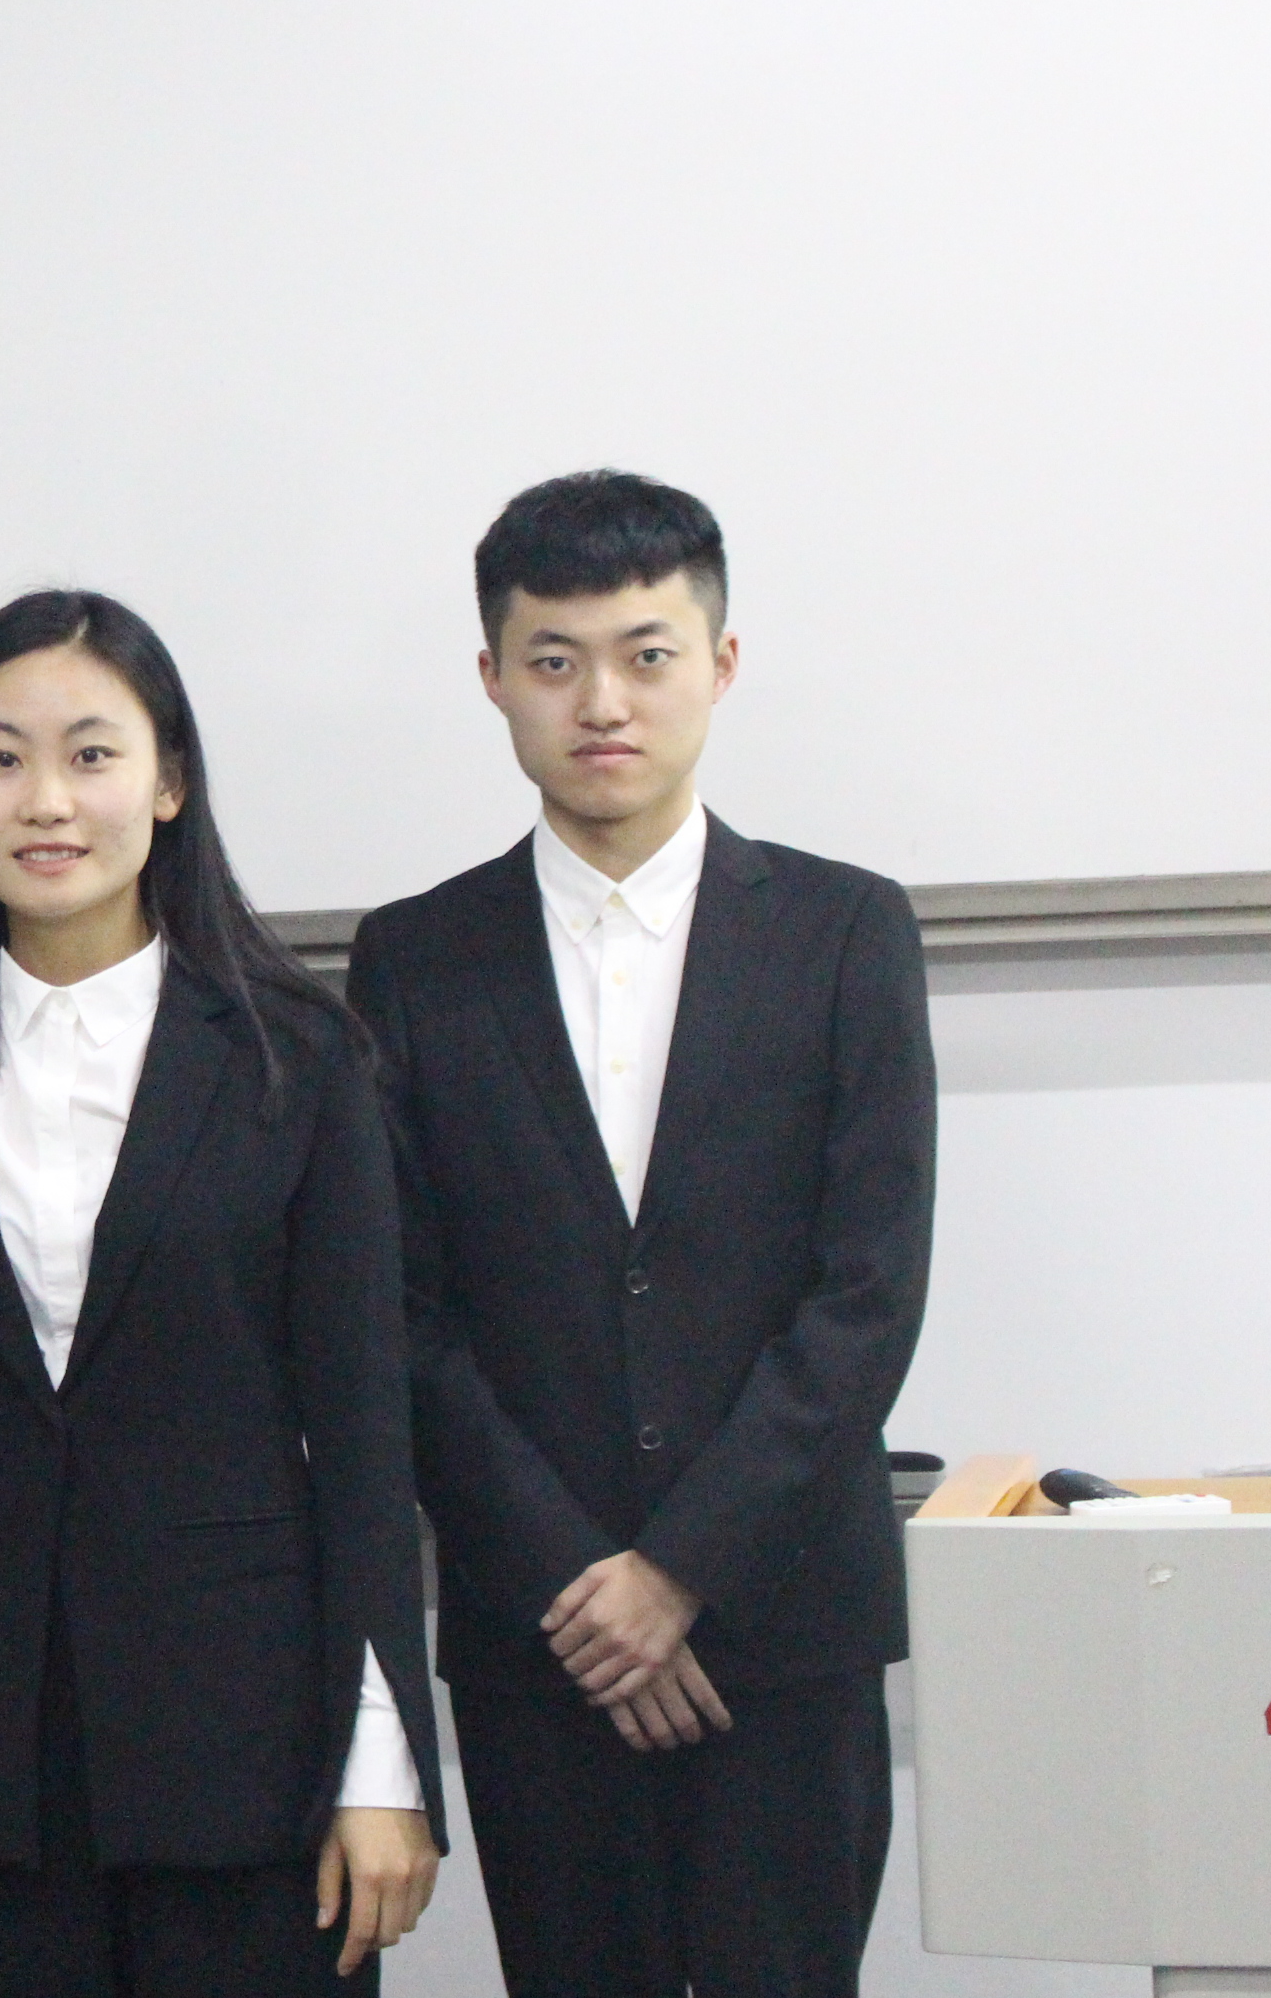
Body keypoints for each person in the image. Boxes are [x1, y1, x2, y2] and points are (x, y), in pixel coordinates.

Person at [0, 589, 443, 1995]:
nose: (45, 800)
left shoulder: (298, 1059)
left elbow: (363, 1439)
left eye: (91, 755)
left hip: (244, 1751)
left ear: (168, 783)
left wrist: (382, 1763)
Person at [348, 472, 933, 1997]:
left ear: (720, 666)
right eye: (554, 660)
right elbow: (401, 1315)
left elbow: (867, 1296)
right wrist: (580, 1583)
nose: (601, 702)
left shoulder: (847, 933)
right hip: (539, 1642)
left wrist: (679, 1571)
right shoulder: (414, 959)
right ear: (493, 677)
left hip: (782, 1631)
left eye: (646, 654)